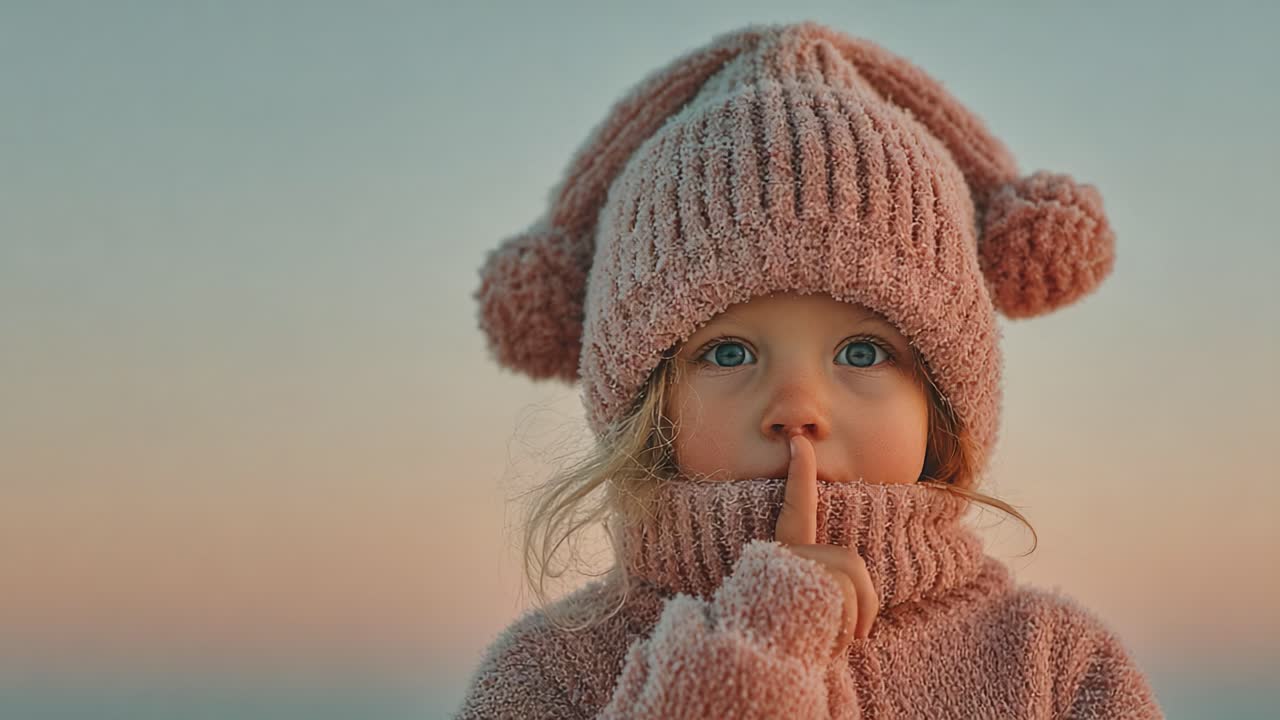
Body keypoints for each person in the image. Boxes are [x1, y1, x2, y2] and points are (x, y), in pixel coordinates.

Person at [458, 19, 1164, 719]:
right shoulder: (551, 674)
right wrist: (760, 643)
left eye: (863, 352)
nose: (797, 407)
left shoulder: (1055, 666)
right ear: (645, 401)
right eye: (728, 353)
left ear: (944, 400)